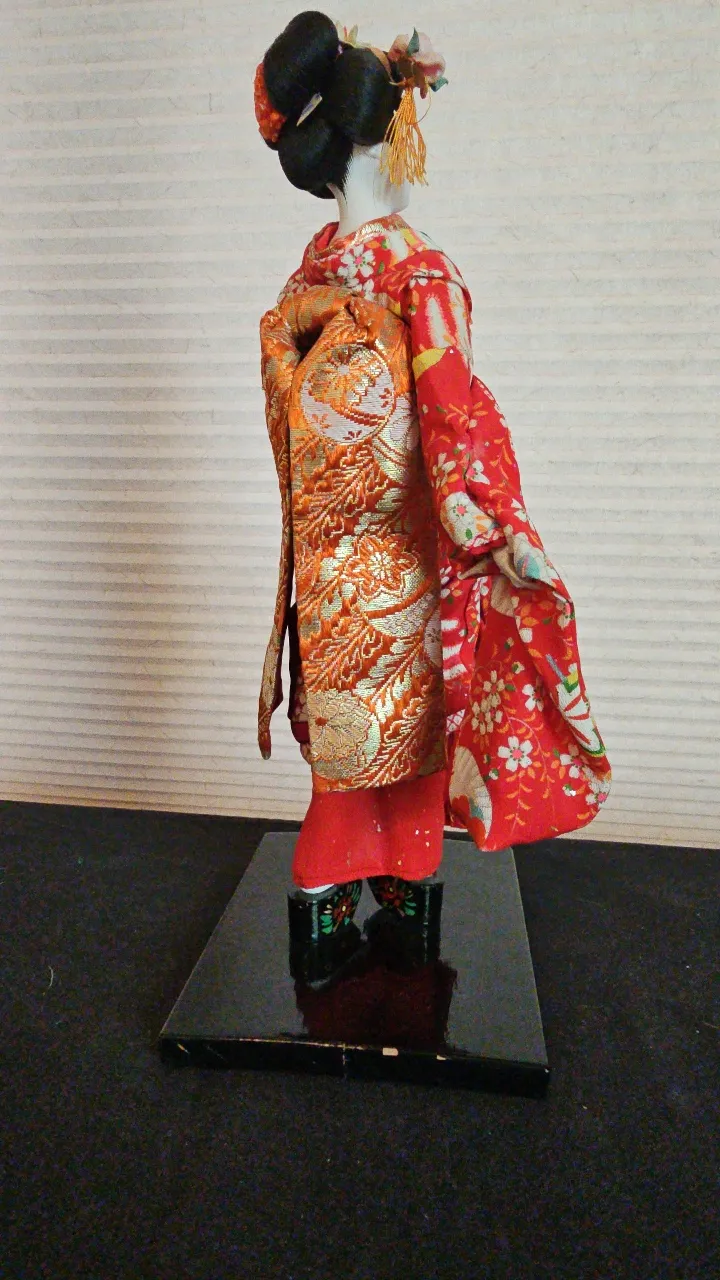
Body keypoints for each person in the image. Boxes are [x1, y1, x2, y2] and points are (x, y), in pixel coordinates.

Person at [254, 13, 611, 941]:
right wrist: (484, 517)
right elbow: (453, 411)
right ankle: (405, 876)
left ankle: (328, 885)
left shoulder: (308, 279)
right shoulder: (420, 273)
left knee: (347, 716)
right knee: (413, 717)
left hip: (331, 552)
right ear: (383, 141)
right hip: (412, 543)